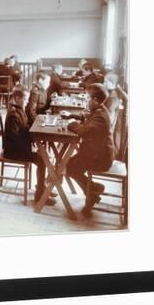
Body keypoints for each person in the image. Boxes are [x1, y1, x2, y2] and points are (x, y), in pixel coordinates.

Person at [65, 83, 115, 217]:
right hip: (96, 153)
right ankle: (92, 189)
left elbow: (84, 130)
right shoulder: (99, 110)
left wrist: (71, 124)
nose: (86, 101)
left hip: (101, 158)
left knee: (69, 166)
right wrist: (74, 116)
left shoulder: (100, 116)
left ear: (96, 100)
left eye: (87, 98)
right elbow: (88, 119)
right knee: (69, 164)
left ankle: (92, 190)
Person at [4, 86, 56, 206]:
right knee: (42, 159)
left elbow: (25, 128)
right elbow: (15, 138)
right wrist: (33, 140)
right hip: (14, 151)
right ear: (17, 98)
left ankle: (42, 187)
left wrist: (33, 137)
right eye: (26, 99)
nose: (27, 102)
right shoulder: (13, 114)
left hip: (20, 147)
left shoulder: (20, 110)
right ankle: (40, 195)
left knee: (44, 155)